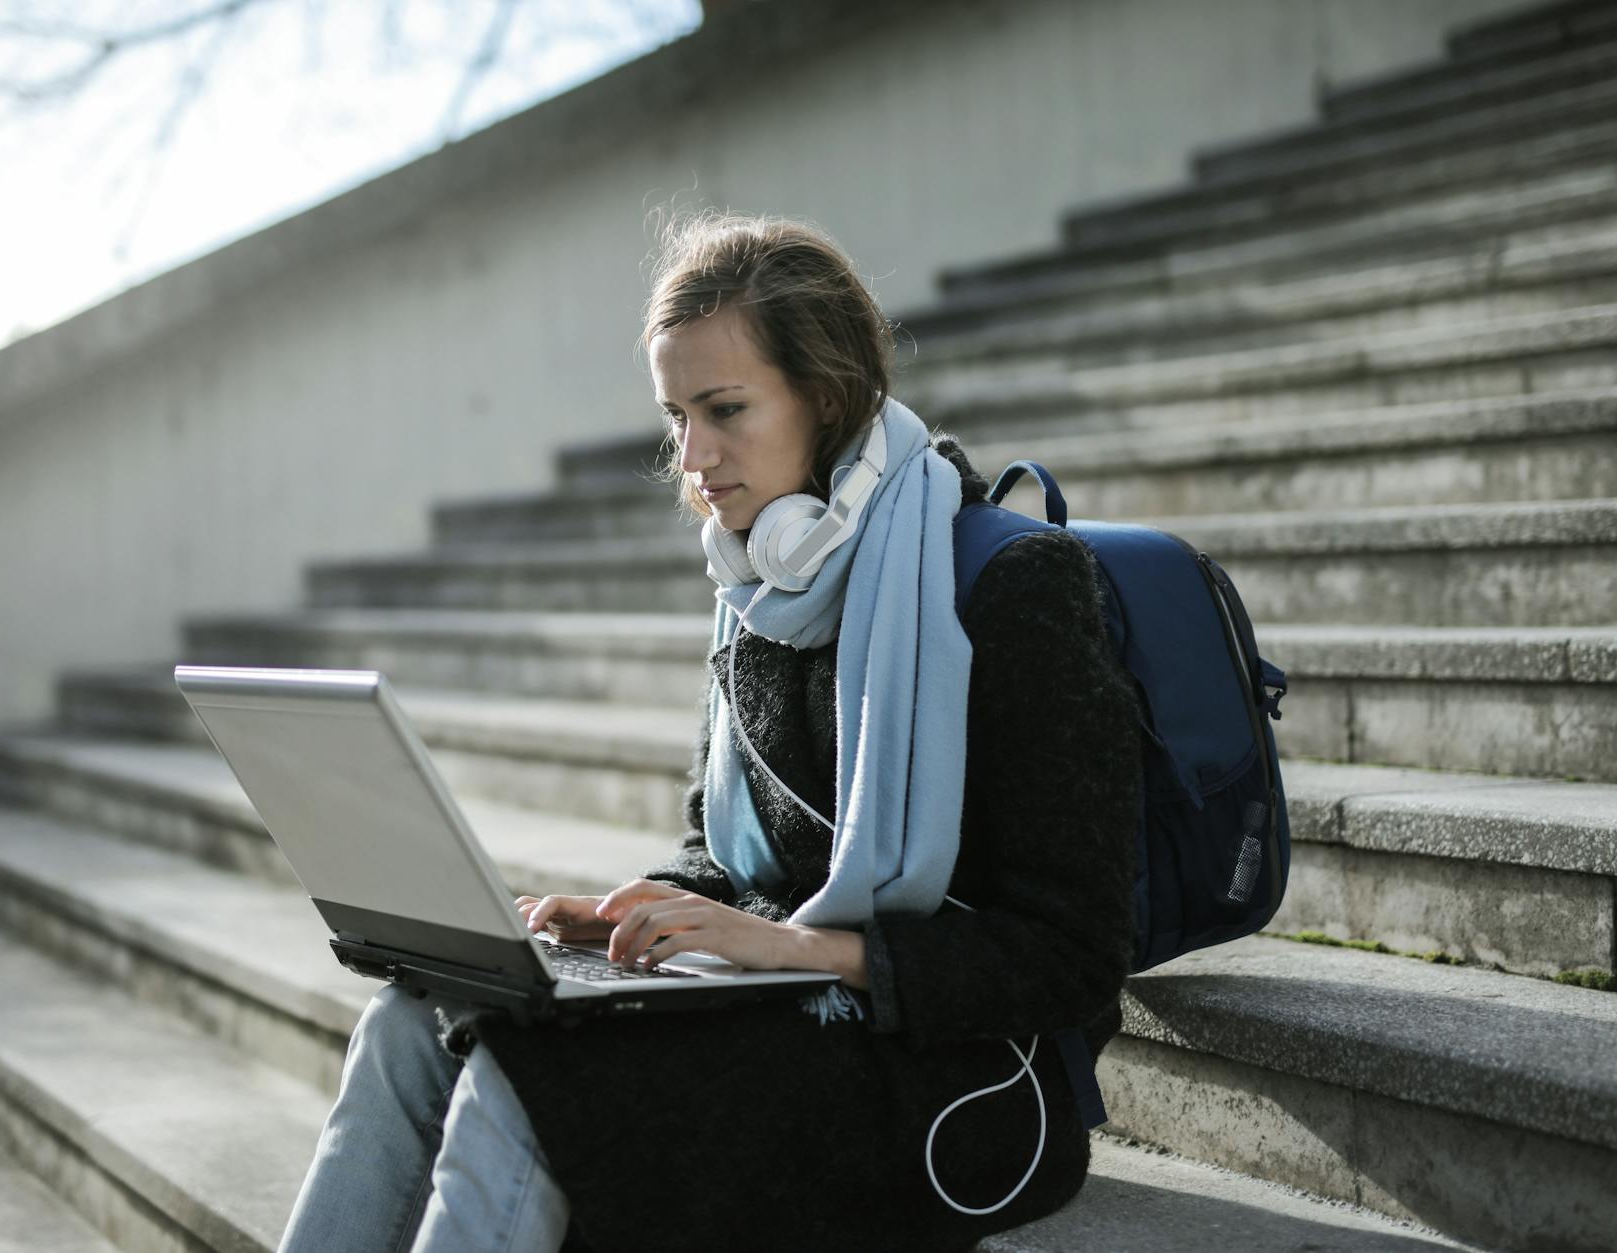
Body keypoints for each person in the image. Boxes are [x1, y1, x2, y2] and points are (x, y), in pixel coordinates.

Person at [277, 212, 1144, 1253]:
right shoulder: (756, 586)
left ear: (823, 398)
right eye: (675, 415)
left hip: (951, 1064)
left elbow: (1072, 952)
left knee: (534, 1073)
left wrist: (793, 946)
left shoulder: (1012, 586)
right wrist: (629, 915)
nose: (692, 456)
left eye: (724, 408)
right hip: (782, 1000)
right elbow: (724, 854)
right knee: (408, 1023)